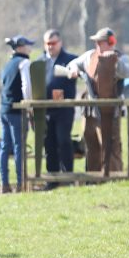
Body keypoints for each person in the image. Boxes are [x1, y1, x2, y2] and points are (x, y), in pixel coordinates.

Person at [66, 27, 129, 172]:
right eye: (96, 42)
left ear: (110, 42)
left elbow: (127, 72)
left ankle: (114, 177)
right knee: (91, 146)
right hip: (90, 111)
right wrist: (74, 70)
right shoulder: (90, 56)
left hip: (110, 111)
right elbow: (72, 64)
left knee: (111, 146)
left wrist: (113, 60)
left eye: (100, 42)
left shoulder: (121, 58)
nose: (97, 45)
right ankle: (92, 178)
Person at [39, 29, 77, 180]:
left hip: (64, 109)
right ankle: (52, 177)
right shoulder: (40, 61)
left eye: (53, 43)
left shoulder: (70, 59)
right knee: (49, 143)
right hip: (46, 110)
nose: (50, 46)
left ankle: (67, 175)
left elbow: (79, 72)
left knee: (64, 140)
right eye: (47, 43)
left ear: (60, 43)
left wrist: (74, 72)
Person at [0, 35, 34, 193]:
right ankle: (21, 182)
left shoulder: (8, 64)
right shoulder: (24, 62)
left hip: (4, 108)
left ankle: (4, 183)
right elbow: (26, 87)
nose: (30, 48)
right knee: (19, 146)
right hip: (17, 109)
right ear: (21, 47)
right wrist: (30, 105)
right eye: (27, 45)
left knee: (5, 147)